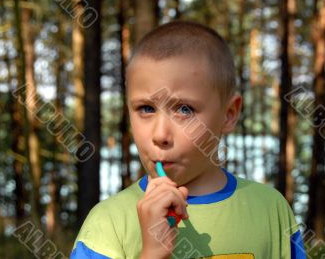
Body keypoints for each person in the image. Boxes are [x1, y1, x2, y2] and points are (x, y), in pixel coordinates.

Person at [70, 21, 306, 259]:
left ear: (229, 114)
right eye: (146, 109)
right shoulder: (108, 224)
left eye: (184, 109)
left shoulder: (270, 210)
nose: (160, 135)